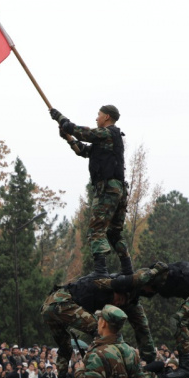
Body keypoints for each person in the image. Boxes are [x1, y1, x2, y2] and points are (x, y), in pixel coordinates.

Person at [49, 105, 130, 276]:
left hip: (108, 189)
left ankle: (101, 270)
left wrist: (60, 118)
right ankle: (127, 269)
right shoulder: (108, 139)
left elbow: (83, 133)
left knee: (96, 229)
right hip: (119, 190)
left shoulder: (107, 133)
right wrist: (68, 138)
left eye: (98, 115)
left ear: (107, 117)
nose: (96, 118)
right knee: (113, 232)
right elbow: (83, 151)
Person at [107, 261, 189, 376]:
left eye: (145, 289)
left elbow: (161, 266)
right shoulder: (156, 287)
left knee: (178, 321)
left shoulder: (150, 276)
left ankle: (185, 368)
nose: (147, 292)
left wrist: (151, 273)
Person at [41, 272, 156, 378]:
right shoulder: (106, 285)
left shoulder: (106, 294)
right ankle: (102, 369)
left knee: (65, 348)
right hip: (61, 303)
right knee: (101, 330)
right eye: (119, 299)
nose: (118, 303)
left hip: (49, 307)